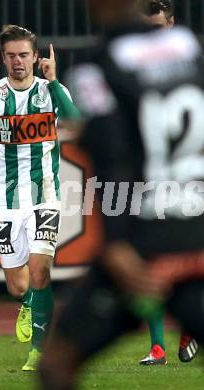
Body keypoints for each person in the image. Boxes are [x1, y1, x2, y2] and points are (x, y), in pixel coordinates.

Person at [38, 0, 204, 388]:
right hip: (196, 232)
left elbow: (115, 158)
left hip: (145, 244)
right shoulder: (190, 47)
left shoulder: (99, 64)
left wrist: (115, 243)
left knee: (57, 365)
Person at [0, 24, 79, 371]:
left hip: (45, 195)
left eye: (24, 54)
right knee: (19, 285)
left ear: (36, 57)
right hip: (4, 201)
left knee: (41, 272)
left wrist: (55, 81)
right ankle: (27, 302)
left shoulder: (50, 91)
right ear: (2, 58)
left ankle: (39, 352)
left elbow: (76, 121)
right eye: (10, 55)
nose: (17, 61)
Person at [138, 0, 198, 365]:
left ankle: (190, 329)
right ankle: (158, 346)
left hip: (190, 178)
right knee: (149, 264)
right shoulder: (134, 69)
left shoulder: (190, 63)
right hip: (149, 179)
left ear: (171, 23)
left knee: (189, 260)